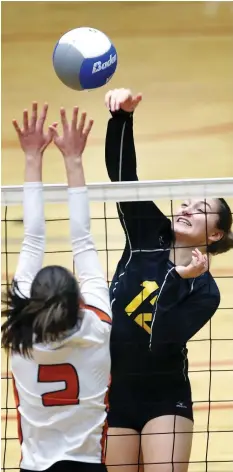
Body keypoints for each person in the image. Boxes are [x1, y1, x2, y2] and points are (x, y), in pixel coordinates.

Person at [103, 88, 233, 472]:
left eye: (202, 208)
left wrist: (177, 279)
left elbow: (161, 341)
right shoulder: (146, 234)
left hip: (165, 396)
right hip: (115, 391)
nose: (187, 208)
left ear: (214, 236)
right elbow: (124, 178)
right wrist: (122, 119)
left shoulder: (206, 291)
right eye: (186, 202)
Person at [1, 103, 112, 472]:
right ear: (79, 302)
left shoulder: (18, 337)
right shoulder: (97, 326)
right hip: (87, 466)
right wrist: (74, 160)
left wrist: (32, 156)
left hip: (34, 468)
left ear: (31, 303)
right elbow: (84, 240)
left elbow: (32, 239)